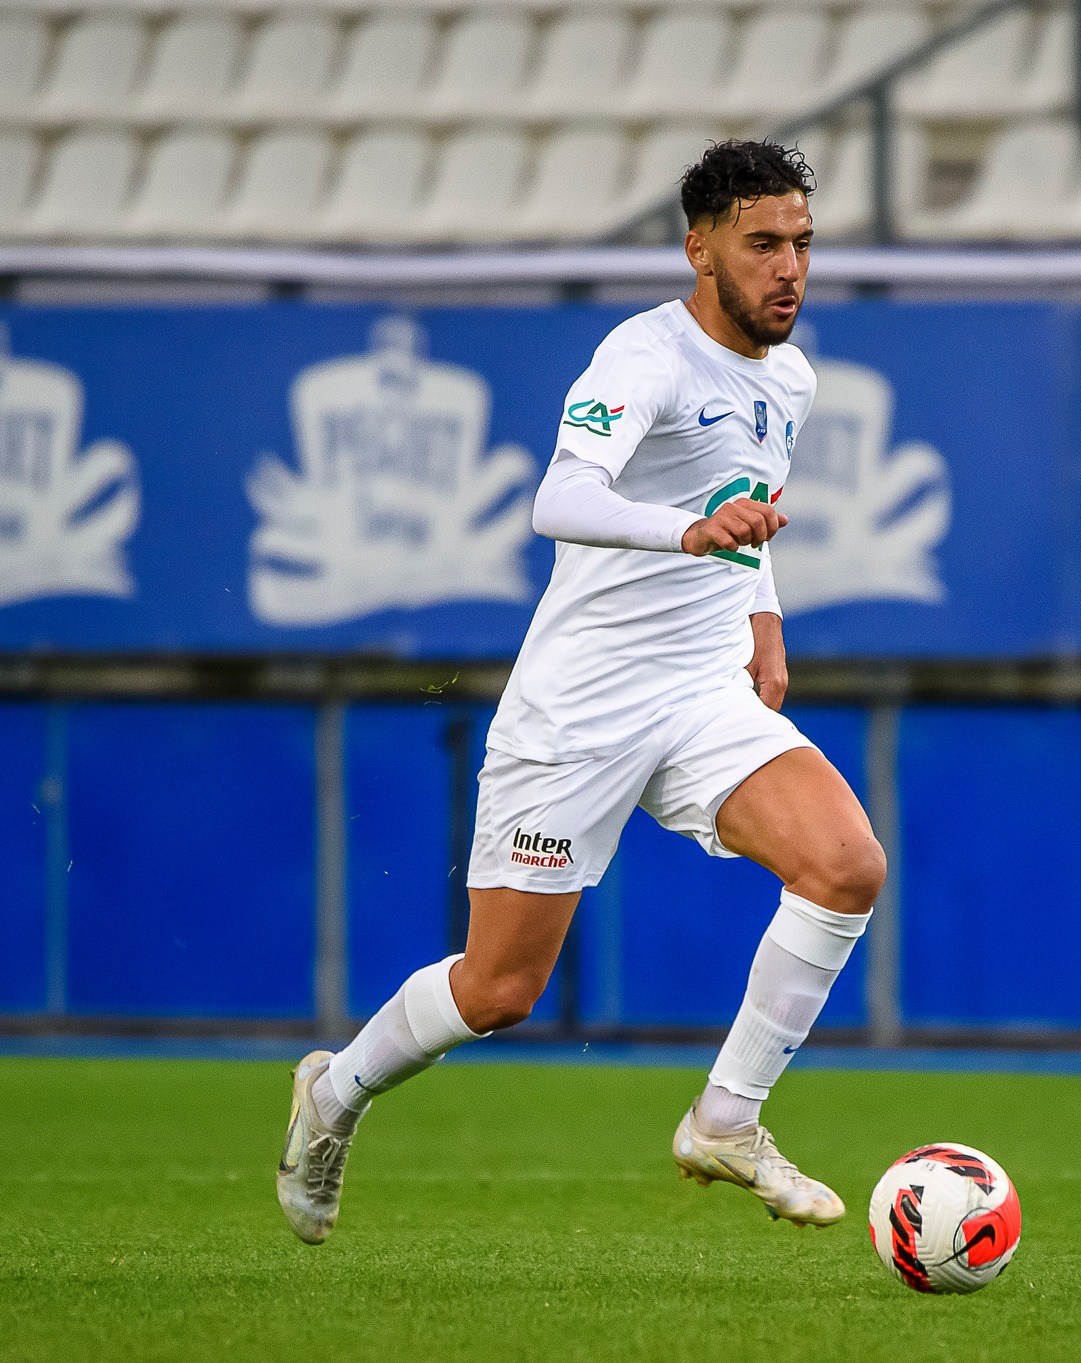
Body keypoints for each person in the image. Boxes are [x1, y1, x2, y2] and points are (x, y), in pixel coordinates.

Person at [277, 140, 885, 1243]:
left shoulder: (788, 377)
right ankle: (335, 1089)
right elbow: (558, 496)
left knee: (846, 866)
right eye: (762, 244)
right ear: (699, 248)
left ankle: (725, 1116)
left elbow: (746, 509)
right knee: (500, 988)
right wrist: (686, 531)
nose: (788, 267)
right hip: (581, 706)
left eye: (801, 242)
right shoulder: (640, 357)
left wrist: (763, 618)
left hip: (701, 693)